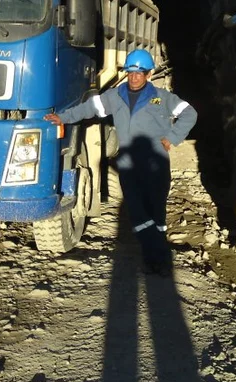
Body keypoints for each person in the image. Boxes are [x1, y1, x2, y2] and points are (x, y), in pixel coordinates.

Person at [44, 49, 197, 276]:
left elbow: (189, 114)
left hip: (156, 164)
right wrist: (63, 117)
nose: (134, 77)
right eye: (130, 72)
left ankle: (157, 253)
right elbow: (88, 109)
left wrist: (172, 138)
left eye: (139, 73)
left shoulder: (162, 97)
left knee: (156, 211)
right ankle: (154, 256)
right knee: (136, 210)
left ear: (149, 74)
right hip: (128, 163)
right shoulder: (115, 96)